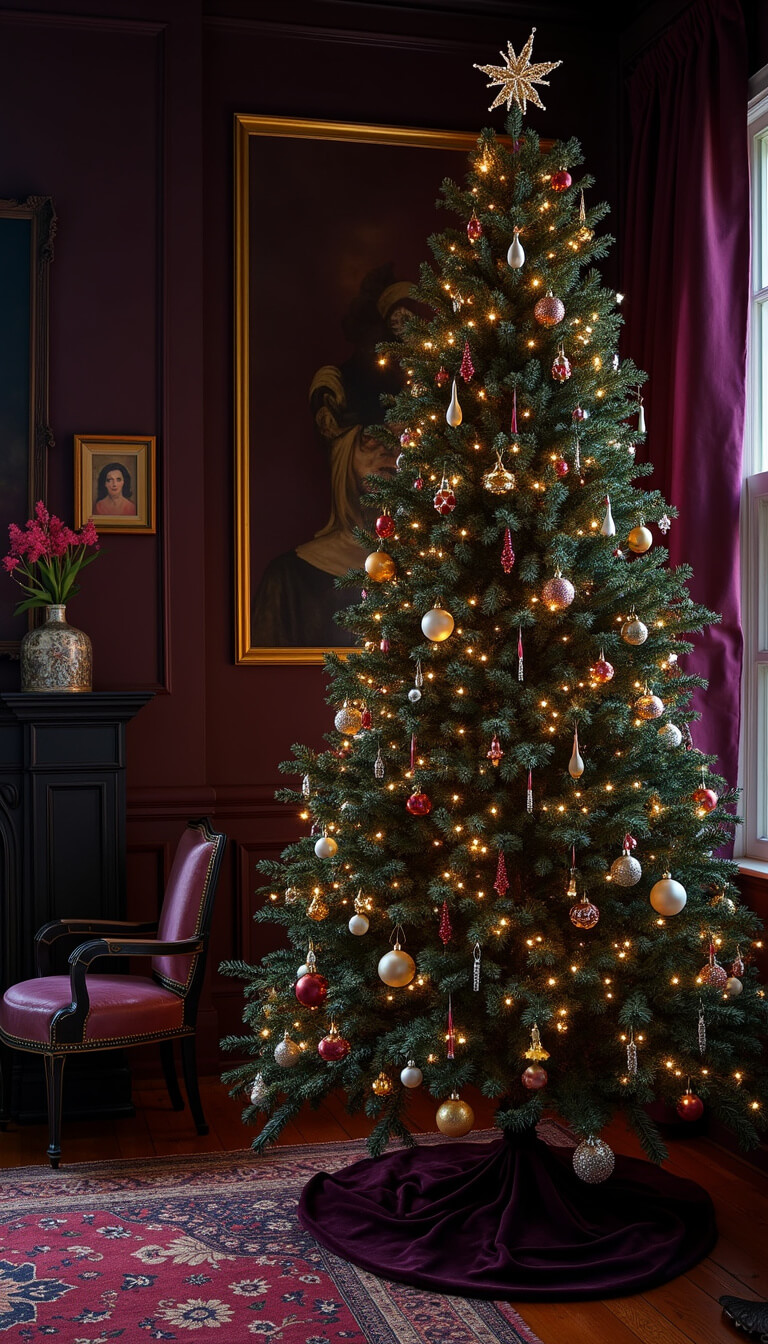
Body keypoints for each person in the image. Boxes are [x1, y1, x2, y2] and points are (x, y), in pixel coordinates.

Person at [251, 268, 421, 648]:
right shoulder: (288, 578)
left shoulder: (442, 573)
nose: (389, 459)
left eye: (399, 445)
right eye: (372, 444)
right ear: (343, 457)